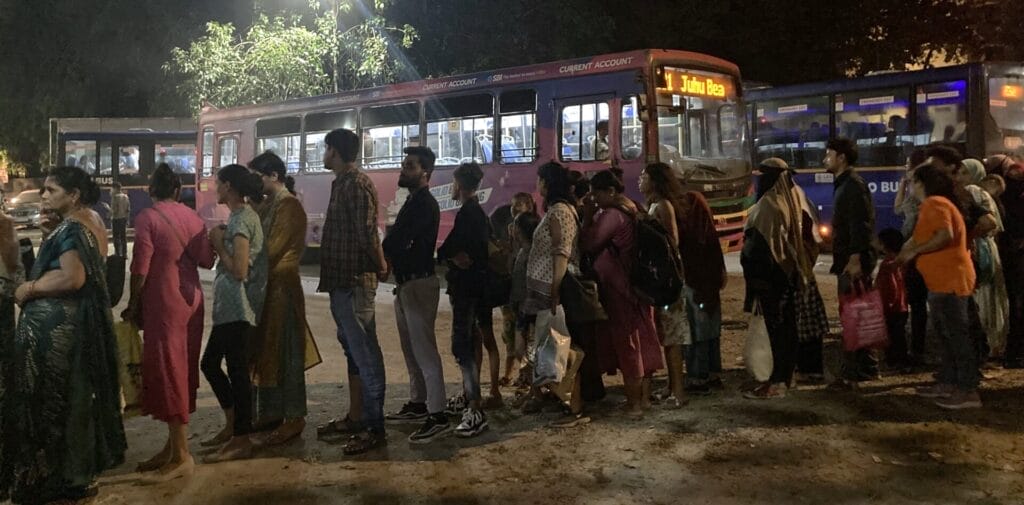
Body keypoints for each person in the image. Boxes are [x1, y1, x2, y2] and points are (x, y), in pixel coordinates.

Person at [2, 166, 126, 503]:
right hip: (74, 331)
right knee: (75, 403)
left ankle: (60, 478)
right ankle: (73, 476)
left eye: (51, 191)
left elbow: (72, 278)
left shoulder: (74, 228)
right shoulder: (85, 221)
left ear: (73, 196)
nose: (44, 196)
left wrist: (31, 288)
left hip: (63, 338)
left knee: (57, 406)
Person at [122, 164, 215, 480]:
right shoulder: (193, 218)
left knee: (169, 370)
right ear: (177, 190)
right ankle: (173, 448)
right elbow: (207, 260)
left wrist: (133, 304)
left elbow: (140, 268)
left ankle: (182, 455)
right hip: (192, 301)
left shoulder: (147, 218)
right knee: (182, 369)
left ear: (151, 191)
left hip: (164, 304)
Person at [315, 128, 389, 454]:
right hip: (341, 283)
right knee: (354, 355)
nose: (323, 152)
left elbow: (367, 233)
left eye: (326, 147)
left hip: (356, 283)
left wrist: (382, 264)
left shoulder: (356, 184)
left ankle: (375, 429)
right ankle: (357, 417)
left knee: (366, 357)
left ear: (336, 150)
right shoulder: (343, 182)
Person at [248, 152, 322, 446]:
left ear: (273, 176)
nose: (255, 182)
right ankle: (272, 412)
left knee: (287, 353)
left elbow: (270, 249)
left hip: (283, 291)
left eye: (259, 176)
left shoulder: (289, 206)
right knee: (269, 352)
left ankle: (294, 417)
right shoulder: (269, 204)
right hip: (269, 290)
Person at [898, 163, 981, 409]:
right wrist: (905, 253)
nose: (910, 185)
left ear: (922, 183)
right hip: (942, 280)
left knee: (956, 336)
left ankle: (967, 390)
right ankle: (949, 381)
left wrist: (914, 253)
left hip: (950, 280)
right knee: (946, 335)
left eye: (913, 181)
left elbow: (944, 235)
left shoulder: (935, 204)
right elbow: (921, 236)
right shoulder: (935, 205)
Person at [581, 170, 663, 416]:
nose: (593, 198)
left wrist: (586, 216)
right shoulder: (633, 207)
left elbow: (589, 242)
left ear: (611, 192)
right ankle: (644, 399)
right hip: (637, 286)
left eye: (597, 193)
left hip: (620, 288)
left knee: (627, 344)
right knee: (644, 338)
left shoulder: (612, 215)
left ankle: (634, 404)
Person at [381, 146, 449, 444]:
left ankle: (438, 414)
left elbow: (398, 239)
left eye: (409, 166)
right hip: (409, 282)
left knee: (424, 351)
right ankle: (419, 402)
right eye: (404, 164)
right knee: (412, 349)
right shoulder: (416, 201)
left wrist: (382, 253)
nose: (402, 170)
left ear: (425, 173)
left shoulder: (422, 204)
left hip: (418, 283)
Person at [200, 164, 267, 462]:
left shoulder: (242, 220)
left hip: (239, 307)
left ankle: (241, 437)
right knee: (214, 364)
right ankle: (234, 427)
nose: (216, 188)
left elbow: (239, 269)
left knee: (234, 371)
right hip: (230, 308)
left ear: (229, 186)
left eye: (219, 183)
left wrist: (217, 244)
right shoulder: (241, 217)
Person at [741, 158, 818, 399]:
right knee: (787, 329)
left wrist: (754, 279)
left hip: (770, 280)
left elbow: (758, 250)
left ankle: (776, 382)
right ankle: (786, 377)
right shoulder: (790, 200)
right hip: (788, 275)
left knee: (776, 332)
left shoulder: (768, 205)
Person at [437, 162, 492, 437]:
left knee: (462, 347)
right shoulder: (477, 213)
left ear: (459, 184)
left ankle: (474, 407)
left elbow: (448, 248)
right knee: (471, 341)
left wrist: (447, 256)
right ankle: (470, 398)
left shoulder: (467, 214)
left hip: (466, 289)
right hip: (475, 288)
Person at [825, 137, 879, 388]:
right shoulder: (844, 184)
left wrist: (856, 258)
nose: (825, 159)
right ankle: (864, 368)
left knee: (853, 315)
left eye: (829, 155)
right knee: (857, 314)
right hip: (848, 259)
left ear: (841, 158)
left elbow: (861, 224)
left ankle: (855, 372)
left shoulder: (853, 186)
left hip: (852, 262)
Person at [638, 162, 688, 404]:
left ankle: (678, 392)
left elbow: (672, 241)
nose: (639, 180)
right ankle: (670, 387)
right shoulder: (654, 205)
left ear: (655, 181)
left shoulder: (663, 206)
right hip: (660, 282)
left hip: (668, 282)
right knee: (666, 336)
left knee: (672, 338)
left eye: (644, 176)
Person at [961, 158, 1008, 359]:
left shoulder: (973, 191)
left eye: (964, 172)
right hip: (988, 248)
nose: (959, 177)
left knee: (982, 296)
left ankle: (986, 346)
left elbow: (988, 224)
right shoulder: (983, 192)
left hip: (979, 249)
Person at [986, 154, 1024, 368]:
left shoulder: (1009, 192)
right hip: (1011, 252)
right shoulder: (1009, 192)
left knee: (1016, 302)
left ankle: (1015, 351)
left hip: (1014, 254)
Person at [894, 149, 930, 368]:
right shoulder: (912, 192)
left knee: (916, 304)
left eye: (909, 164)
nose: (906, 167)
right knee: (914, 303)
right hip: (911, 251)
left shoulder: (924, 197)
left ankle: (917, 349)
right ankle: (916, 347)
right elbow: (897, 209)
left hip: (917, 252)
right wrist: (901, 187)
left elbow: (911, 222)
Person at [500, 192, 537, 386]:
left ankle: (526, 379)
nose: (514, 209)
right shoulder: (515, 239)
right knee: (510, 337)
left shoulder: (530, 245)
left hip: (524, 303)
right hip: (513, 300)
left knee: (525, 341)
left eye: (520, 205)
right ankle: (510, 374)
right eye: (513, 205)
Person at [877, 229, 911, 370]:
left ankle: (895, 362)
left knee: (892, 336)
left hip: (891, 306)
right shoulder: (901, 260)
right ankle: (902, 361)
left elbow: (891, 286)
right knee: (899, 335)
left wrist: (887, 302)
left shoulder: (888, 264)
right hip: (901, 305)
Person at [110, 181, 131, 257]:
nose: (111, 190)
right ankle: (124, 253)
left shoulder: (114, 197)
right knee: (123, 236)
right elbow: (128, 209)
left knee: (116, 237)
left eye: (112, 188)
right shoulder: (126, 197)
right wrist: (127, 220)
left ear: (115, 188)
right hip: (124, 219)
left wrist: (108, 209)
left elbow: (114, 211)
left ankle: (117, 253)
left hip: (116, 219)